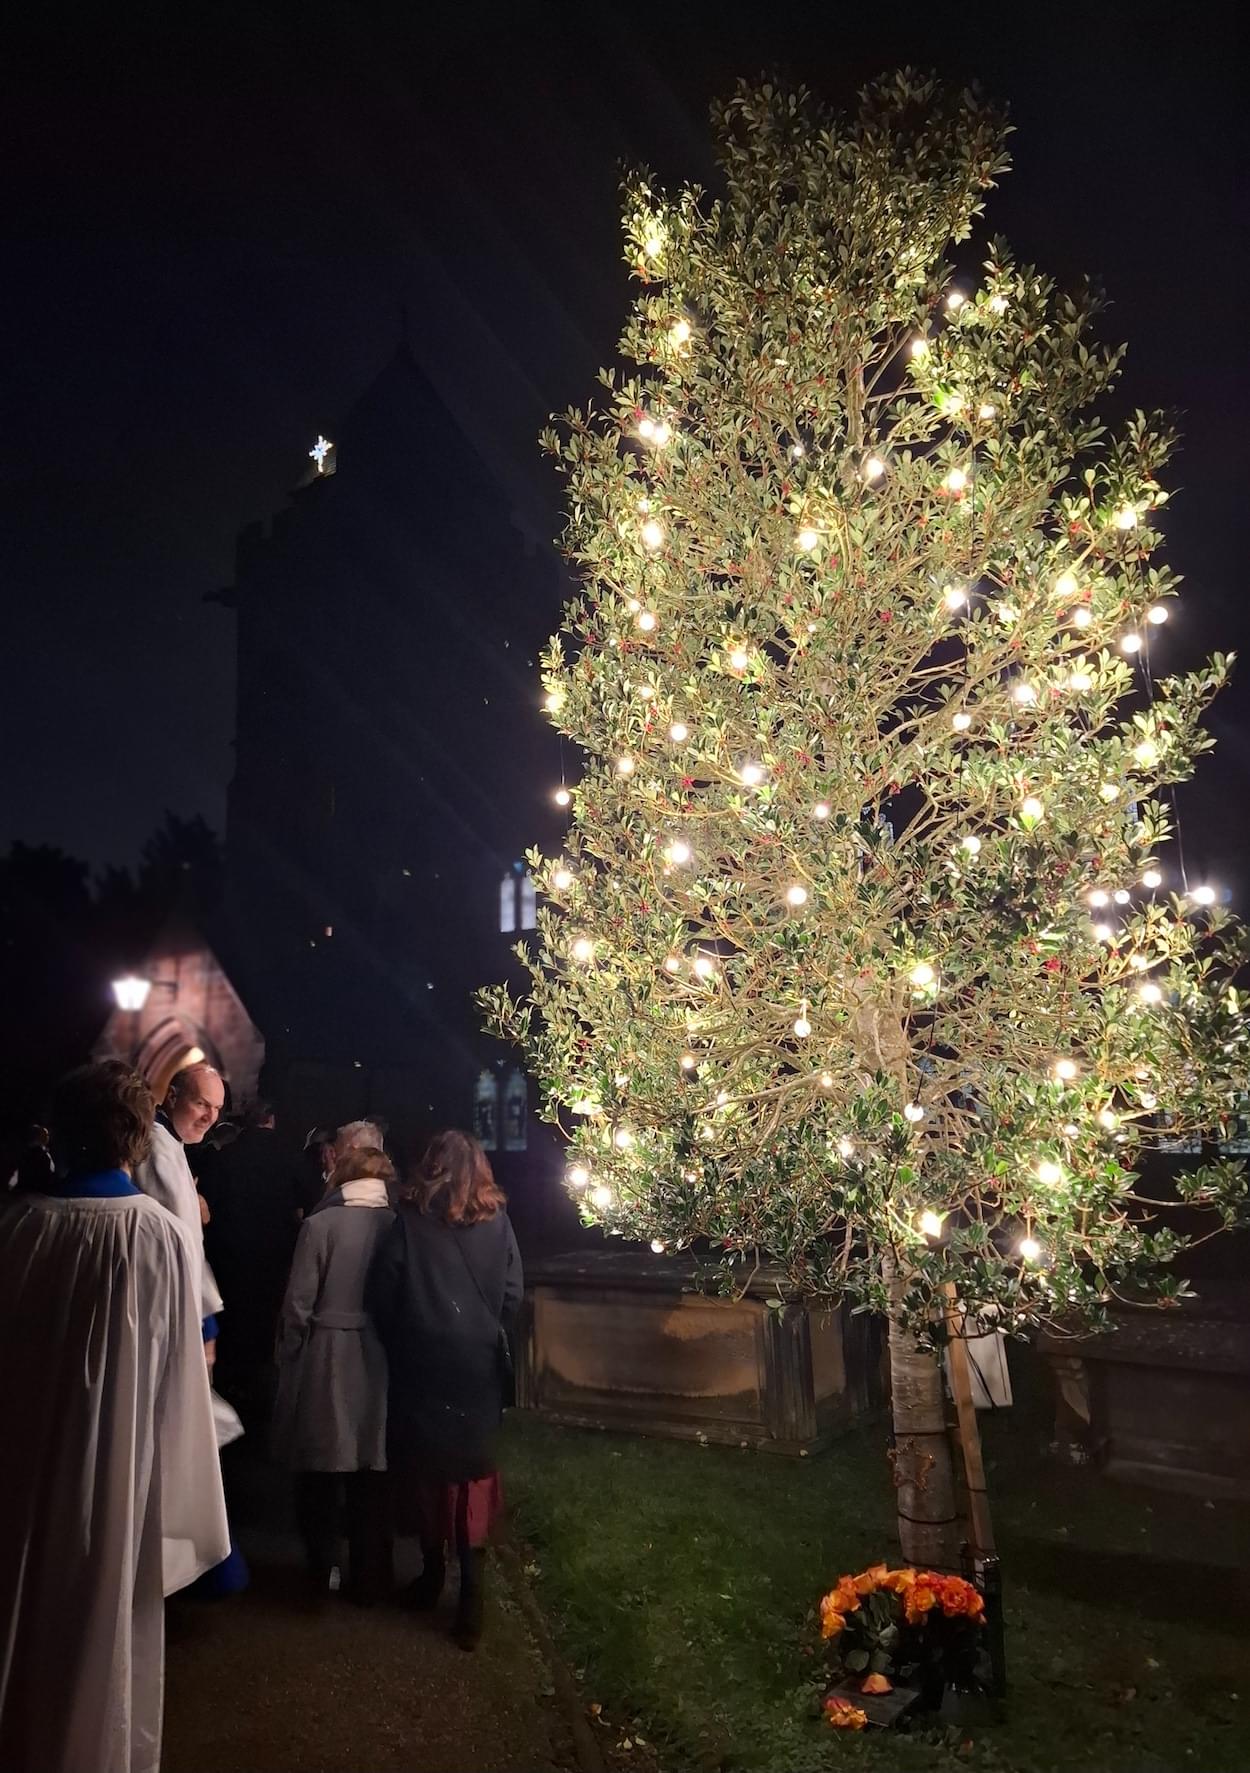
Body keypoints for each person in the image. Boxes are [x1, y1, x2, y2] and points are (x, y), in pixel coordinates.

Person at [0, 1061, 228, 1773]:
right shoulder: (153, 1234)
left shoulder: (17, 1226)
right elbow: (177, 1387)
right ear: (134, 1136)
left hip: (20, 1464)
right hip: (112, 1476)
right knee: (98, 1643)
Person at [367, 1129, 522, 1649]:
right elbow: (513, 1294)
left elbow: (381, 1296)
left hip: (423, 1368)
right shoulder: (499, 1224)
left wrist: (408, 1340)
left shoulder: (408, 1224)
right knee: (472, 1481)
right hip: (476, 1369)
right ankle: (471, 1601)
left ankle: (432, 1577)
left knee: (429, 1476)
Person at [273, 1145, 396, 1604]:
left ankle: (320, 1570)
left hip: (327, 1350)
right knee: (371, 1469)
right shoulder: (396, 1225)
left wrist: (289, 1355)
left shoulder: (320, 1226)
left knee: (321, 1469)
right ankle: (370, 1576)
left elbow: (299, 1302)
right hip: (377, 1351)